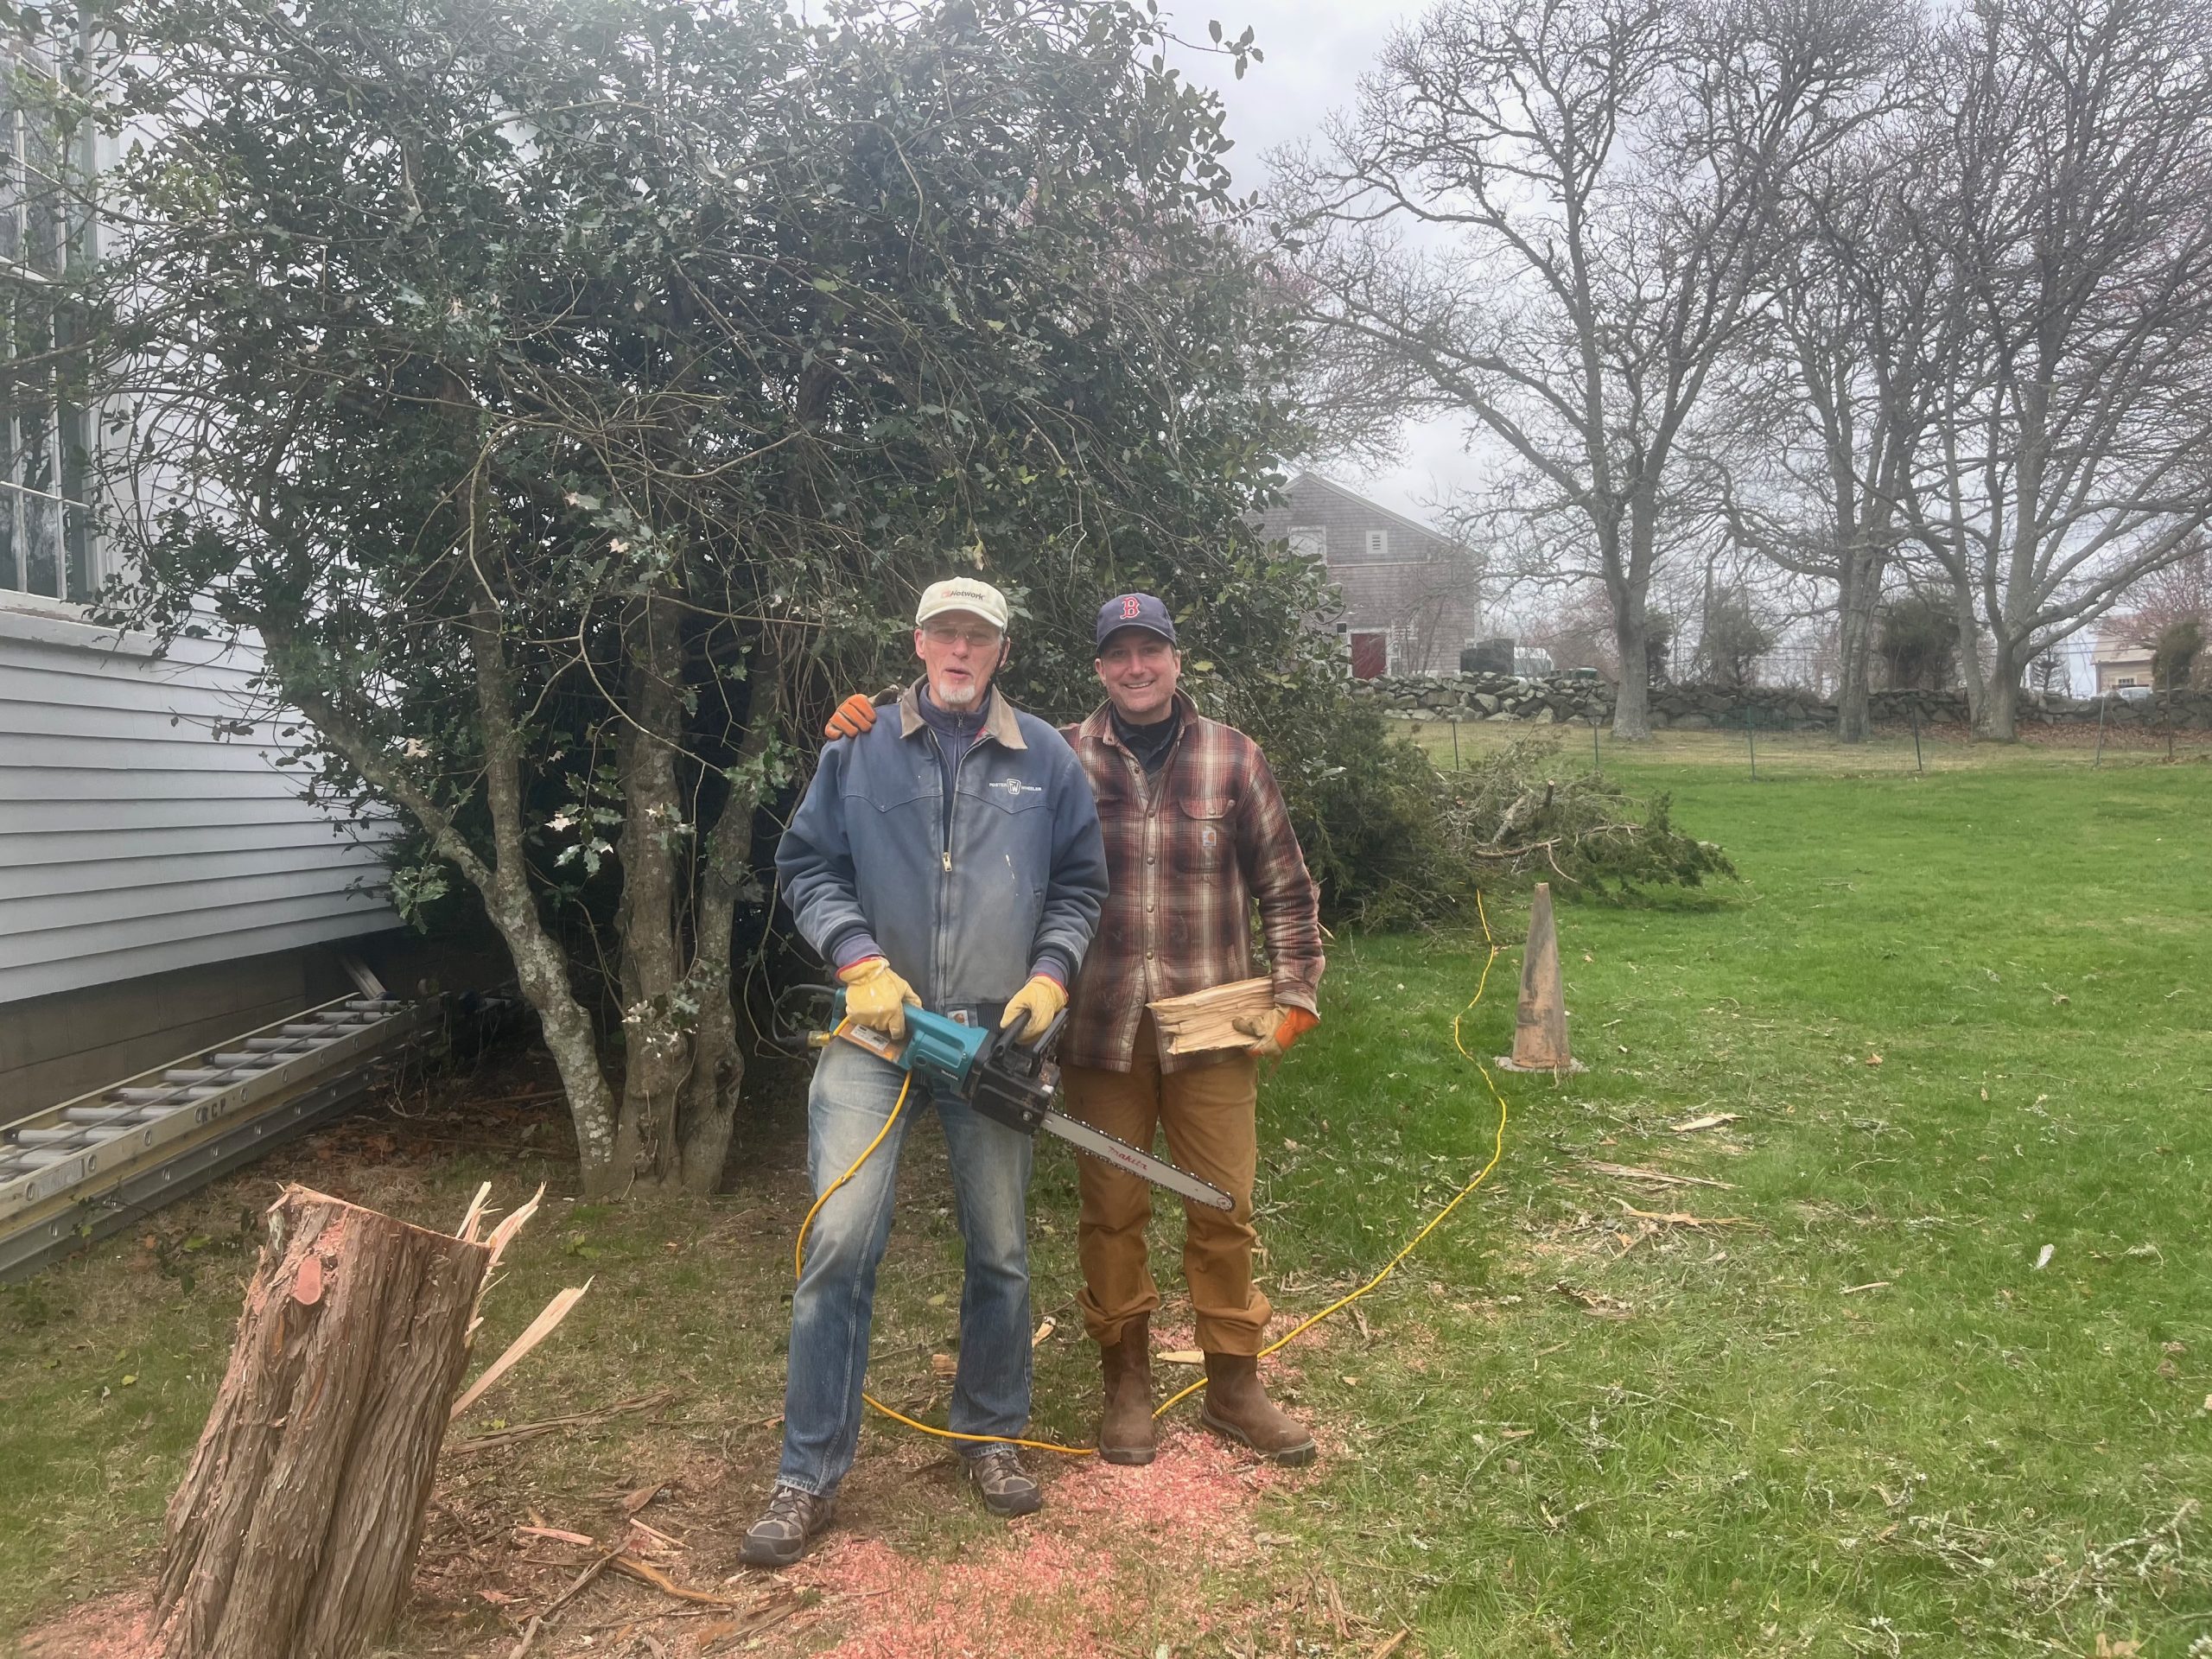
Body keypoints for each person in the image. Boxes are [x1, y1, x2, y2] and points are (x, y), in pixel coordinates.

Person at [824, 591, 1325, 1468]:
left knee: (1223, 1206)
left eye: (1152, 652)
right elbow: (947, 799)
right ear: (1099, 667)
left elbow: (1286, 886)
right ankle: (1126, 1381)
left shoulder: (1233, 759)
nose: (1137, 668)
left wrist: (1296, 997)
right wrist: (856, 729)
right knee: (1113, 1210)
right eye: (1119, 655)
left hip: (1210, 1023)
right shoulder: (1050, 755)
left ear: (1175, 660)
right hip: (1095, 1026)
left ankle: (1233, 1385)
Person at [750, 576, 1108, 1568]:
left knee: (999, 1250)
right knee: (839, 1246)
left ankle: (989, 1436)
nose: (960, 651)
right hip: (877, 1038)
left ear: (1000, 650)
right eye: (945, 634)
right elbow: (807, 867)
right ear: (918, 643)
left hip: (995, 1042)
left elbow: (1081, 884)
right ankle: (807, 1470)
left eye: (978, 638)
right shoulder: (856, 747)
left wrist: (1051, 975)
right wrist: (857, 960)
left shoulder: (1046, 758)